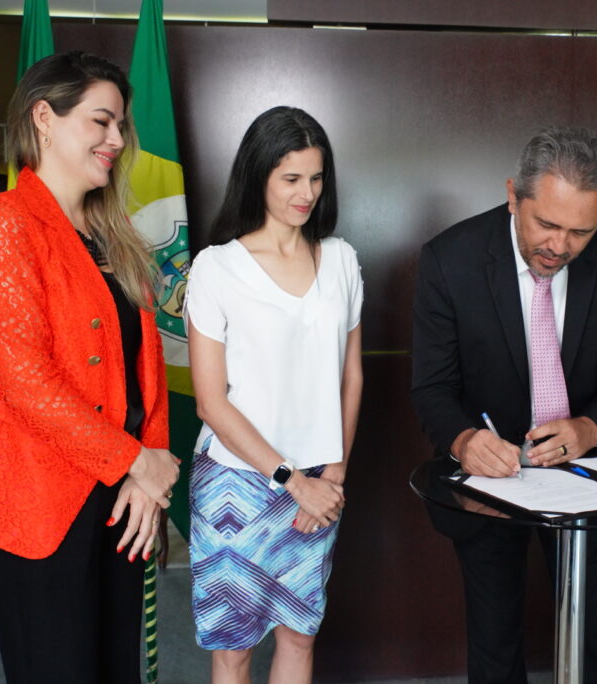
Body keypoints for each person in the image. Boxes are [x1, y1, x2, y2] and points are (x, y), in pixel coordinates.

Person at [0, 52, 179, 683]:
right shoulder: (6, 223)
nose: (117, 140)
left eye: (121, 125)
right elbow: (26, 383)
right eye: (101, 121)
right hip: (37, 504)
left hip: (120, 499)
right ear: (44, 118)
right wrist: (137, 460)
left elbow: (147, 369)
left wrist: (149, 475)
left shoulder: (115, 233)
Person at [411, 126, 597, 683]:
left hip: (586, 468)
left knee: (590, 625)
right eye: (546, 224)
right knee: (494, 632)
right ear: (513, 196)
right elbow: (431, 385)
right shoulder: (451, 259)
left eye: (580, 231)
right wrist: (464, 441)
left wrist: (591, 428)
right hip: (489, 475)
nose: (559, 246)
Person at [186, 106, 363, 684]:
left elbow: (351, 376)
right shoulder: (216, 268)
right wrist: (294, 481)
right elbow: (211, 402)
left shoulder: (341, 259)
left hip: (321, 481)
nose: (306, 193)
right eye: (291, 178)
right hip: (237, 485)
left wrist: (333, 473)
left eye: (316, 178)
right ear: (258, 175)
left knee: (300, 636)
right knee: (233, 649)